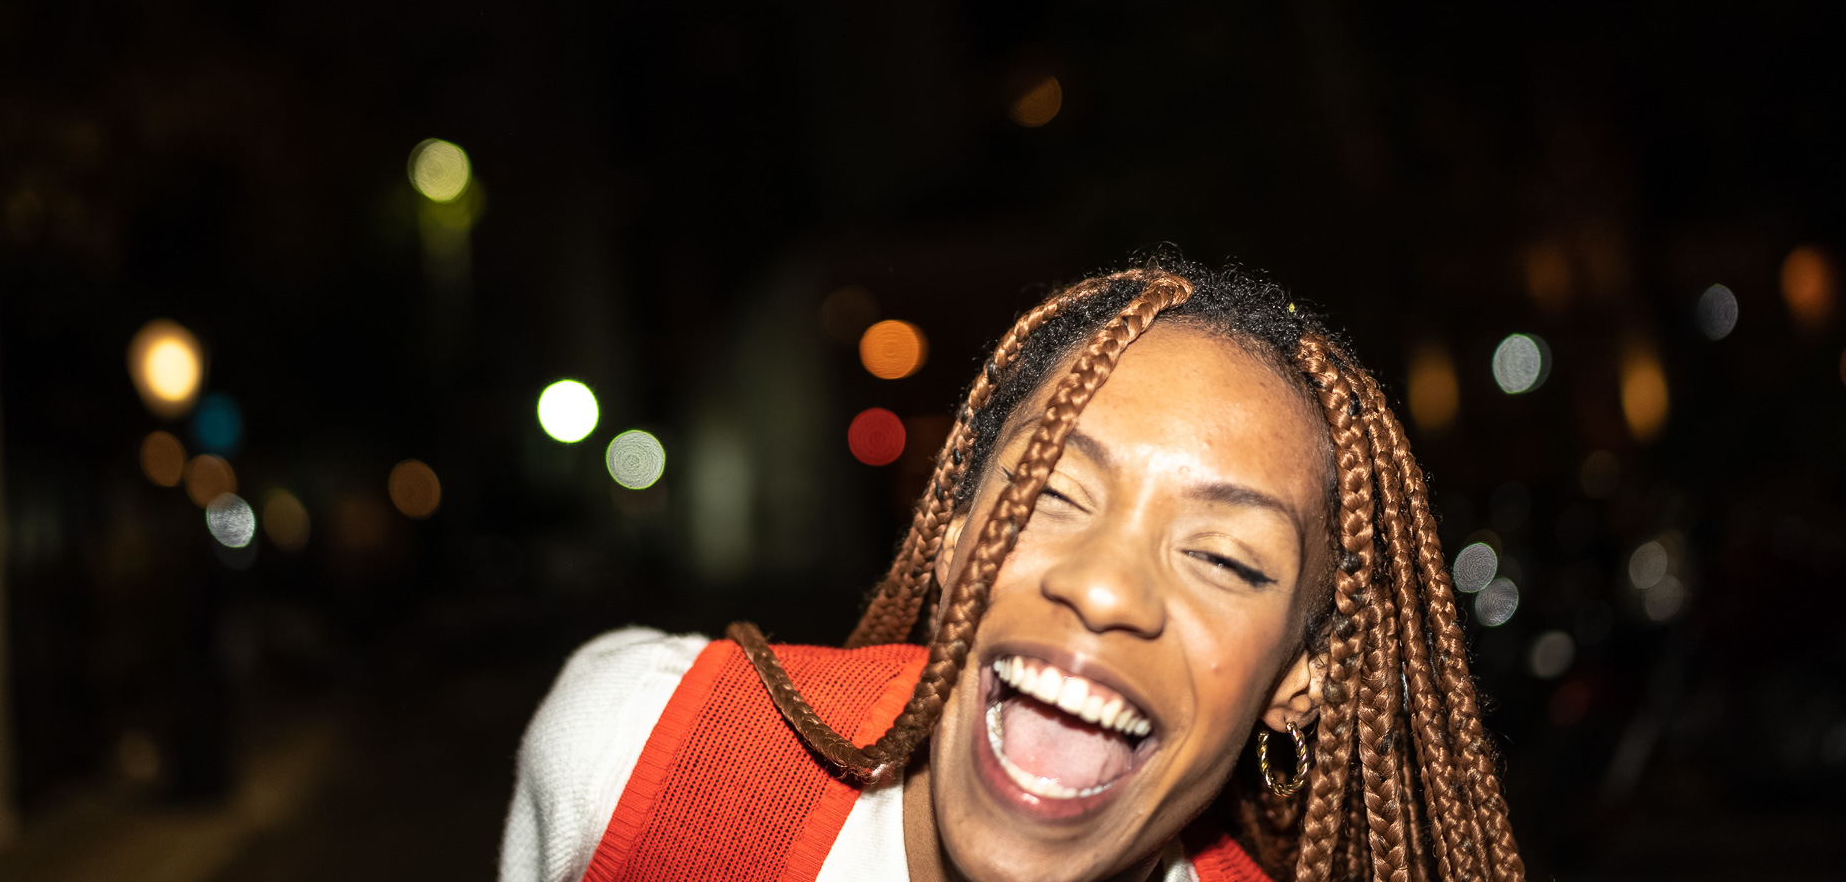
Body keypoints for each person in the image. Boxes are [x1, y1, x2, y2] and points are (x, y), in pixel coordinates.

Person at [500, 262, 1524, 882]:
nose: (1108, 588)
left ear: (1301, 679)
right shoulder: (639, 751)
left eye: (1222, 556)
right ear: (951, 539)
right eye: (1048, 494)